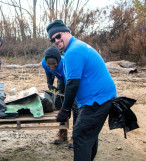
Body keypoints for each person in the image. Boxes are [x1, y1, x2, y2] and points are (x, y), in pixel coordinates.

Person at [46, 20, 117, 161]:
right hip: (101, 98)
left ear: (67, 32)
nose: (56, 40)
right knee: (89, 134)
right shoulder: (75, 47)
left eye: (58, 36)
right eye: (52, 39)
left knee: (80, 135)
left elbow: (72, 84)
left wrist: (65, 110)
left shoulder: (74, 51)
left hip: (97, 100)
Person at [41, 46, 79, 148]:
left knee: (74, 107)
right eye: (49, 63)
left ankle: (76, 135)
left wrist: (68, 99)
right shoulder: (44, 63)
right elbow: (49, 72)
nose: (51, 66)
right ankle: (63, 132)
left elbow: (70, 84)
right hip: (61, 80)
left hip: (72, 81)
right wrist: (50, 84)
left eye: (54, 64)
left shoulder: (66, 64)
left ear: (58, 60)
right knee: (60, 104)